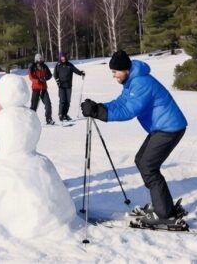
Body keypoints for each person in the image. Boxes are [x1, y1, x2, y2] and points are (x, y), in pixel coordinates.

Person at [80, 50, 188, 228]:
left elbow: (128, 110)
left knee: (148, 166)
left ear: (126, 70)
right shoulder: (132, 81)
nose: (114, 76)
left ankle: (164, 214)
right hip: (162, 128)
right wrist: (98, 107)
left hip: (169, 128)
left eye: (116, 72)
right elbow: (121, 102)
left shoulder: (141, 83)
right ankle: (164, 207)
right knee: (141, 161)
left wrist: (99, 113)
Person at [54, 51, 85, 121]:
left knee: (68, 101)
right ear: (60, 58)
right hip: (61, 86)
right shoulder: (58, 65)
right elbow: (55, 74)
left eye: (64, 57)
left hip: (68, 86)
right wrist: (57, 81)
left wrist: (81, 73)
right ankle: (60, 114)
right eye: (62, 57)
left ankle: (65, 114)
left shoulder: (69, 65)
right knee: (62, 100)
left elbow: (75, 70)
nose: (63, 59)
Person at [29, 53, 54, 125]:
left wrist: (45, 78)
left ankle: (49, 119)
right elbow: (31, 77)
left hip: (43, 88)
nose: (41, 60)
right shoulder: (33, 67)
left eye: (41, 58)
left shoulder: (44, 66)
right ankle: (31, 121)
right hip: (36, 88)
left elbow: (49, 75)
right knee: (34, 105)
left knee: (48, 104)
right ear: (36, 59)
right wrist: (38, 80)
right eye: (39, 59)